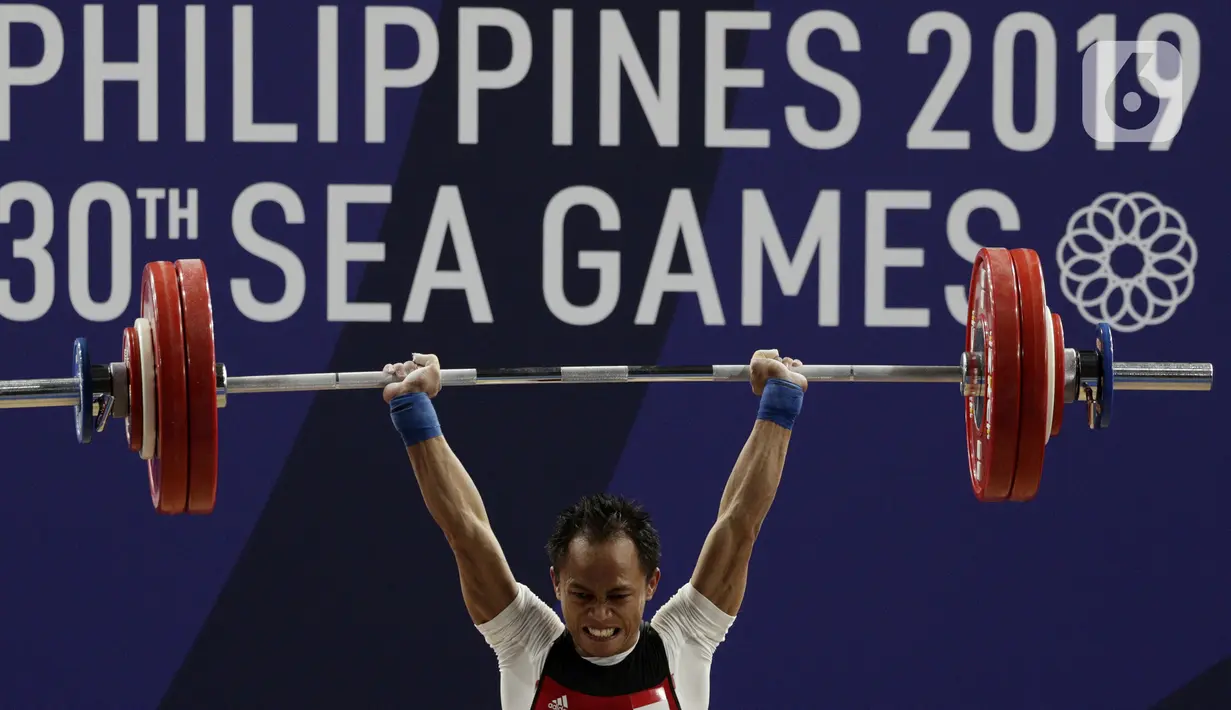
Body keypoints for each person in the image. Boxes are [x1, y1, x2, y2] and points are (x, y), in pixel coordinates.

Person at [381, 349, 808, 709]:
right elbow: (465, 531)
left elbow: (740, 523)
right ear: (557, 584)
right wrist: (414, 409)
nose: (599, 615)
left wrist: (780, 401)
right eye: (583, 595)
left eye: (617, 595)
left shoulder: (682, 645)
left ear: (651, 584)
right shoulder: (531, 647)